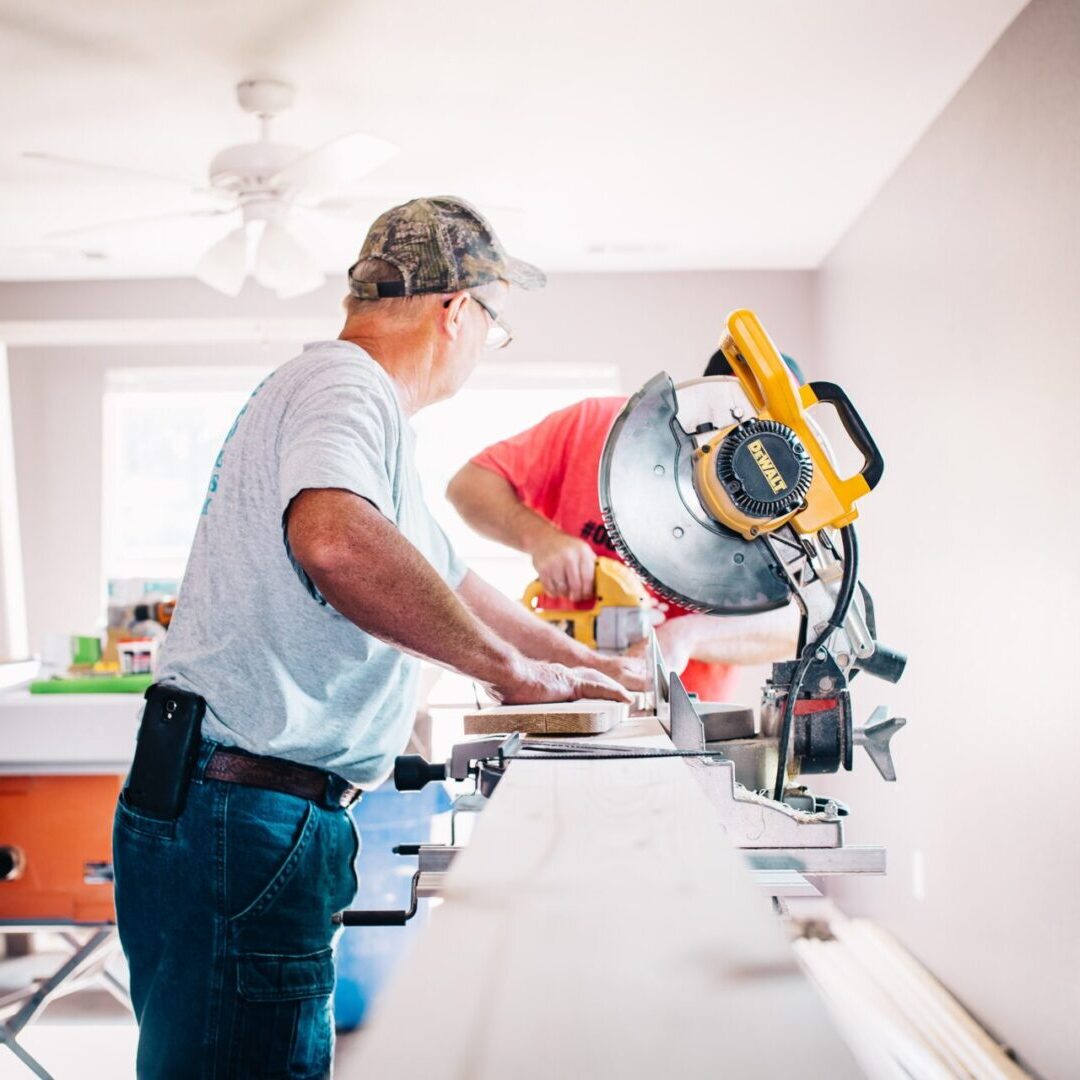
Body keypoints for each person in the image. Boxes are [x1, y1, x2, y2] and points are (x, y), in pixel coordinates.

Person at [112, 196, 639, 1080]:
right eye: (492, 327)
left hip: (229, 804)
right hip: (243, 813)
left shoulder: (351, 408)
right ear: (458, 310)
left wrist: (579, 664)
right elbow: (335, 540)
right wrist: (513, 674)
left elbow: (450, 577)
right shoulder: (346, 386)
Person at [446, 351, 803, 701]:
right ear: (701, 395)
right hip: (561, 688)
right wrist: (539, 537)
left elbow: (797, 624)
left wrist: (686, 635)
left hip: (685, 711)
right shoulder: (595, 426)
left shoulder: (784, 504)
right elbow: (469, 486)